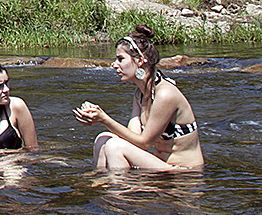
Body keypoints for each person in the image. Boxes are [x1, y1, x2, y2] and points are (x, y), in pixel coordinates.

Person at [72, 24, 204, 170]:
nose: (114, 65)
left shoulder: (165, 94)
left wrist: (104, 119)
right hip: (162, 167)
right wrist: (95, 113)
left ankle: (118, 184)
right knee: (103, 139)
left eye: (120, 59)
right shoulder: (140, 93)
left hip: (184, 173)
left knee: (115, 147)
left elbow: (144, 143)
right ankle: (100, 180)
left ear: (140, 60)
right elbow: (133, 137)